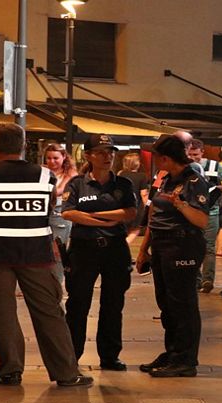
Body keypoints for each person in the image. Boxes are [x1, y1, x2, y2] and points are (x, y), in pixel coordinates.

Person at [0, 123, 92, 387]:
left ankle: (10, 369)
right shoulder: (44, 176)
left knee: (2, 312)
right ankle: (66, 373)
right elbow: (48, 207)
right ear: (23, 145)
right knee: (49, 312)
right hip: (35, 252)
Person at [135, 135, 209, 378]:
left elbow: (202, 221)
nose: (153, 159)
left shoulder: (194, 180)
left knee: (183, 304)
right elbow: (154, 213)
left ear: (166, 158)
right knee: (166, 303)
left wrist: (181, 205)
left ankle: (186, 359)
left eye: (156, 155)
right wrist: (144, 248)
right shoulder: (166, 179)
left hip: (183, 245)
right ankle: (173, 352)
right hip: (161, 244)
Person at [62, 134, 136, 372]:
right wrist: (103, 220)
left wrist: (92, 217)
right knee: (78, 304)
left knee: (113, 304)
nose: (108, 156)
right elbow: (68, 213)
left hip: (115, 249)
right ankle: (72, 354)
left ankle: (110, 356)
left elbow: (130, 212)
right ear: (88, 155)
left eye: (111, 152)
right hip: (84, 249)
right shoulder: (77, 183)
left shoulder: (123, 184)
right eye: (102, 152)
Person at [188, 139, 222, 293]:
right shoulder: (185, 167)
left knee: (208, 247)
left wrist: (217, 188)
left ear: (202, 152)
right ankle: (196, 279)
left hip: (211, 210)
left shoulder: (215, 166)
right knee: (192, 246)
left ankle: (207, 280)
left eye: (196, 155)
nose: (192, 158)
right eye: (190, 154)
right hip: (191, 211)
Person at [43, 143, 78, 282]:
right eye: (49, 158)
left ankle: (56, 284)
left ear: (64, 157)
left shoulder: (70, 173)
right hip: (43, 212)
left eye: (55, 158)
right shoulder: (43, 171)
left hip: (59, 214)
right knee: (42, 249)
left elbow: (60, 191)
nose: (52, 162)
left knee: (57, 250)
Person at [117, 152, 150, 245]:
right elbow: (143, 194)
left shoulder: (120, 174)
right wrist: (147, 208)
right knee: (136, 229)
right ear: (137, 163)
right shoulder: (142, 176)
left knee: (124, 229)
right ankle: (125, 245)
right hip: (136, 208)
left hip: (122, 207)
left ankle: (122, 245)